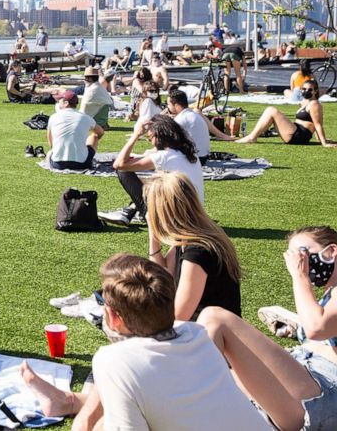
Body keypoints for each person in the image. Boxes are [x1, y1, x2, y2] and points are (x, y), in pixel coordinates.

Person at [19, 254, 271, 431]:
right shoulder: (195, 334)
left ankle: (67, 403)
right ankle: (67, 403)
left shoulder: (113, 360)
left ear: (113, 317)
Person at [197, 225, 337, 431]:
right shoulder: (329, 296)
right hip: (305, 384)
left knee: (215, 318)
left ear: (332, 252)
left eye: (302, 254)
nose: (298, 263)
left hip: (324, 387)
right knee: (222, 375)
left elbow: (317, 327)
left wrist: (300, 276)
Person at [146, 171, 242, 320]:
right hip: (204, 331)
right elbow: (163, 278)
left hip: (207, 337)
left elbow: (179, 316)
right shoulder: (191, 237)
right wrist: (153, 237)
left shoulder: (198, 252)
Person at [100, 114, 204, 226]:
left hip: (175, 221)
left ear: (159, 136)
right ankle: (132, 208)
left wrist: (135, 135)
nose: (151, 142)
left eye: (150, 138)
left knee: (124, 171)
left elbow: (119, 164)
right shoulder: (189, 153)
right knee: (153, 181)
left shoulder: (163, 157)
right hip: (195, 216)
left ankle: (137, 211)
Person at [237, 79, 335, 146]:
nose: (306, 91)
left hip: (299, 136)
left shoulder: (314, 104)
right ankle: (253, 136)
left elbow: (317, 124)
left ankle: (252, 137)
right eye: (304, 89)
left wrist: (324, 142)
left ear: (315, 91)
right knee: (270, 111)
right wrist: (320, 139)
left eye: (310, 89)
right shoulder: (305, 102)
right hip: (296, 132)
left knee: (271, 110)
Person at [166, 89, 235, 163]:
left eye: (168, 104)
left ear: (176, 105)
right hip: (203, 157)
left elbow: (168, 143)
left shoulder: (180, 119)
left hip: (193, 159)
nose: (167, 107)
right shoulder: (195, 114)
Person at [46, 89, 103, 170]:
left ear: (66, 103)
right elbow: (100, 132)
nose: (58, 103)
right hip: (82, 164)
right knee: (94, 136)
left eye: (60, 101)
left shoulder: (54, 117)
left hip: (57, 163)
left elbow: (50, 140)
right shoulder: (85, 117)